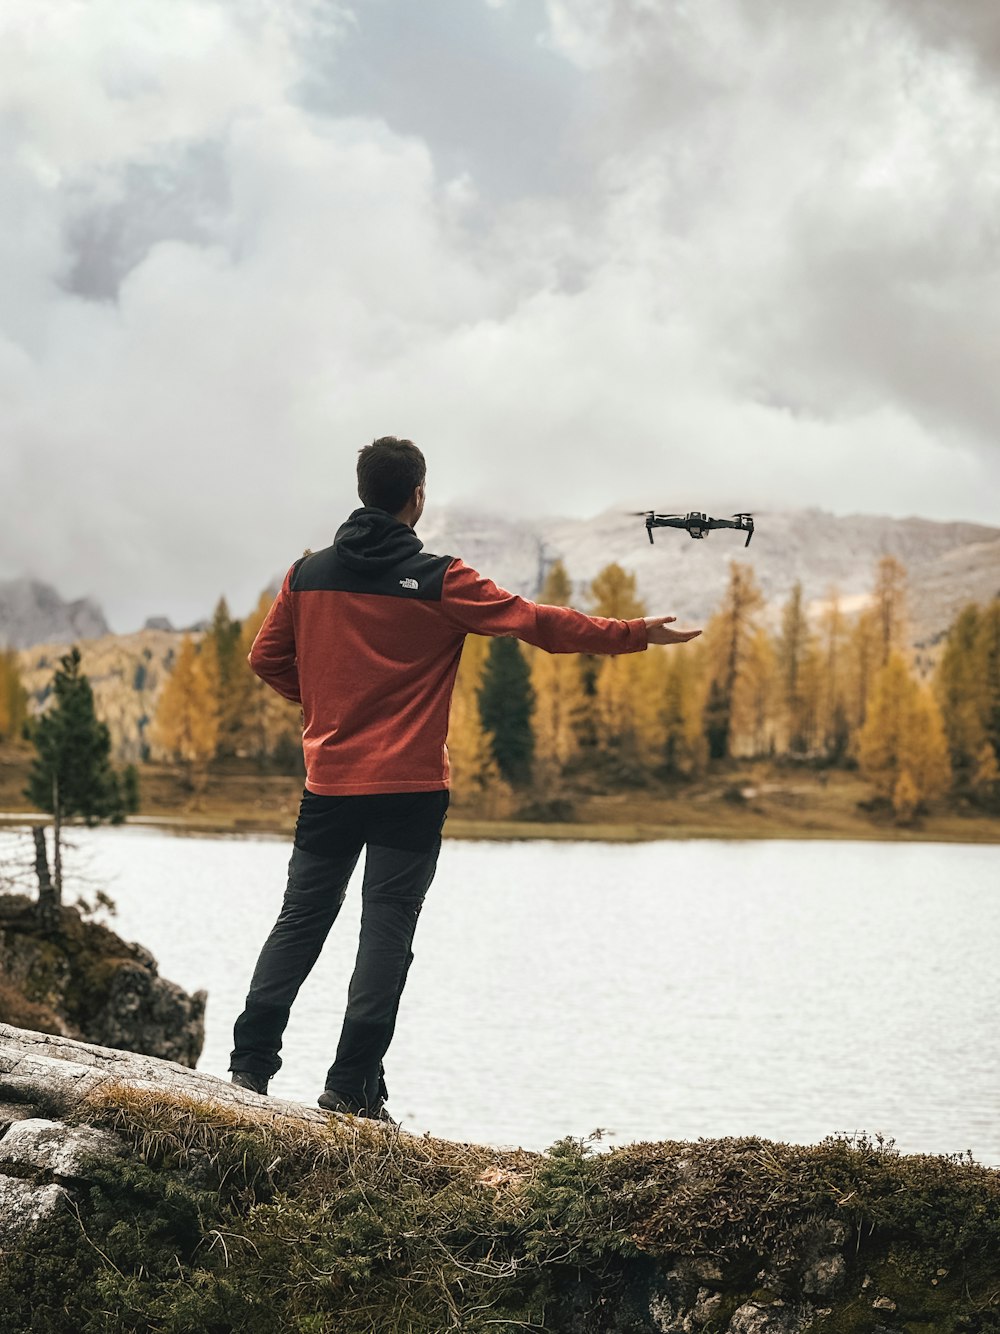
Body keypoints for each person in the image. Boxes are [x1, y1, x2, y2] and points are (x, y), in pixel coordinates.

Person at [229, 436, 701, 1122]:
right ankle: (351, 1086)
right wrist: (631, 633)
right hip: (411, 790)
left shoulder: (307, 575)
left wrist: (331, 703)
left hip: (328, 782)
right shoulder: (439, 578)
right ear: (416, 497)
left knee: (301, 918)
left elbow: (266, 658)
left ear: (364, 491)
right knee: (386, 929)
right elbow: (536, 622)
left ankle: (248, 1068)